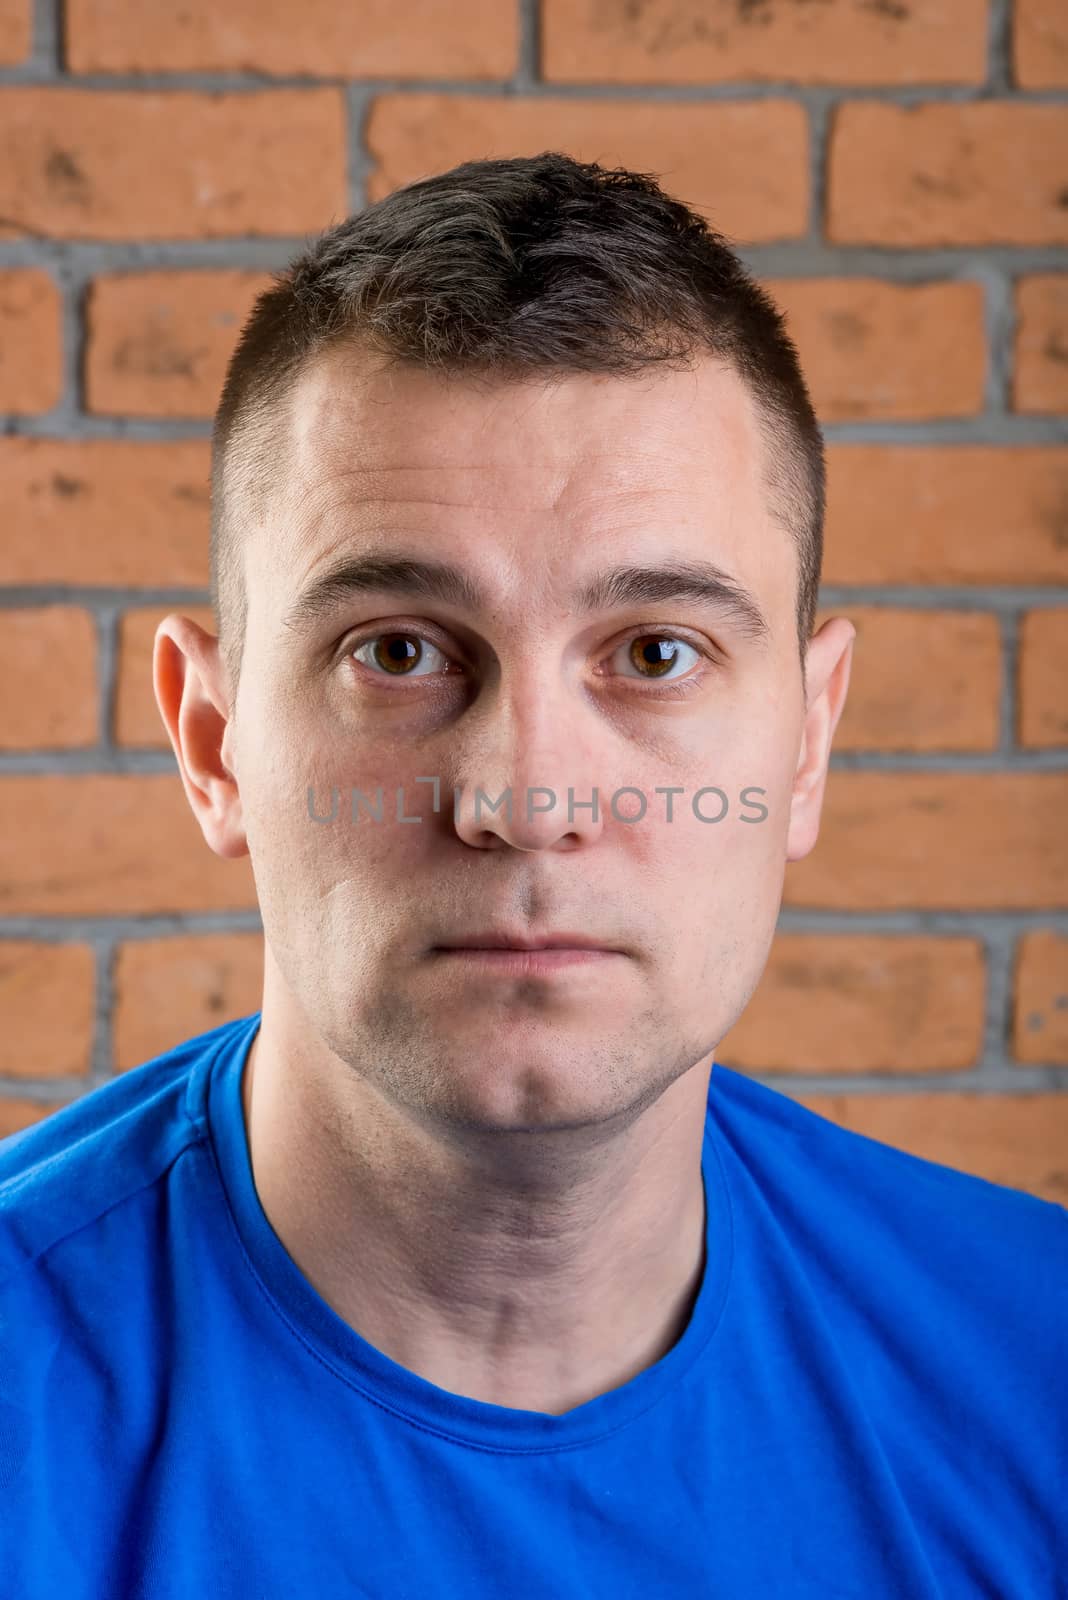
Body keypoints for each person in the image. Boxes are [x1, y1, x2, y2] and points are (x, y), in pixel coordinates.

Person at [1, 153, 1064, 1599]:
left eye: (655, 655)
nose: (528, 799)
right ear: (213, 742)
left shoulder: (1032, 1366)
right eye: (398, 650)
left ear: (808, 742)